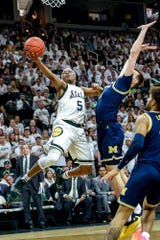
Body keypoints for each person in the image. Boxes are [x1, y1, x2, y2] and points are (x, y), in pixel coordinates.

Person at [8, 54, 102, 201]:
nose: (66, 72)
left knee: (87, 169)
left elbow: (99, 92)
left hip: (79, 130)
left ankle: (63, 175)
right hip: (64, 126)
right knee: (52, 159)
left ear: (75, 75)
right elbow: (51, 76)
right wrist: (38, 61)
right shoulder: (63, 86)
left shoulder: (81, 89)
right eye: (63, 72)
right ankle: (23, 180)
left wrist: (97, 87)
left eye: (69, 71)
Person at [94, 20, 157, 239]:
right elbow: (130, 59)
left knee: (115, 171)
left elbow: (131, 55)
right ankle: (132, 214)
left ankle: (134, 212)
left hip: (111, 129)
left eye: (135, 73)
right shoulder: (119, 81)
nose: (130, 71)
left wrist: (143, 32)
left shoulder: (125, 82)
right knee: (112, 174)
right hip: (103, 129)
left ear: (135, 81)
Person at [102, 84, 160, 240]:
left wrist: (119, 167)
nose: (147, 99)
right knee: (149, 209)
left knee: (122, 213)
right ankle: (145, 237)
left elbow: (138, 144)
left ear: (154, 101)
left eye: (149, 97)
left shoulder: (145, 117)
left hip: (146, 168)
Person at [10, 144, 46, 230]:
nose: (25, 150)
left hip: (34, 183)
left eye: (26, 148)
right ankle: (29, 223)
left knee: (38, 204)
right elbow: (17, 173)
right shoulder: (19, 160)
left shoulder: (35, 158)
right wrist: (14, 182)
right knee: (26, 205)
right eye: (23, 148)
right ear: (22, 150)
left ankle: (42, 222)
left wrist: (42, 181)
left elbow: (39, 170)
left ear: (29, 149)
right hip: (24, 185)